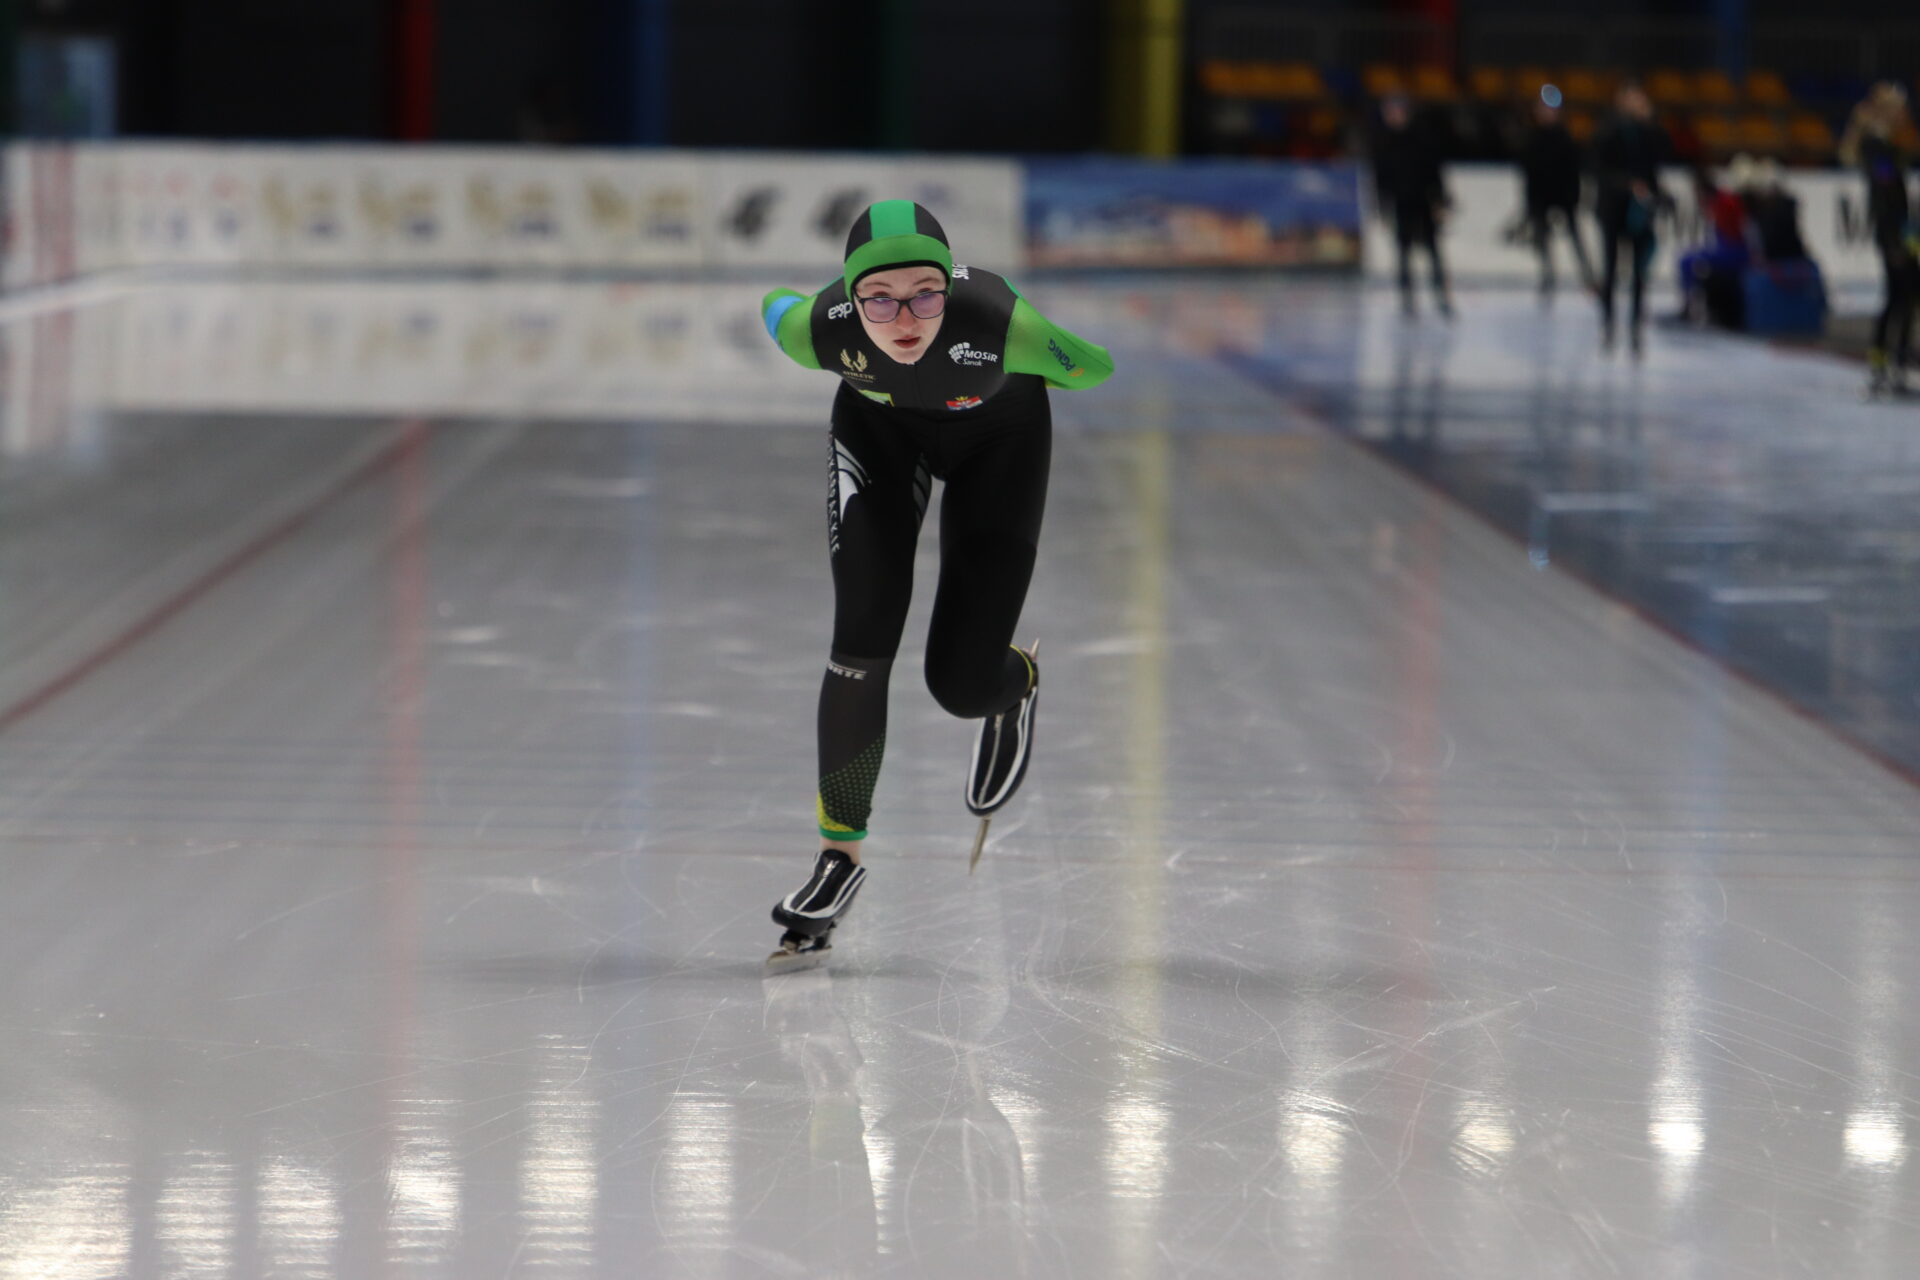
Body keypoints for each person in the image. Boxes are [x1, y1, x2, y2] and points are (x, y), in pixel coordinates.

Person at [757, 200, 1114, 968]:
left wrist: (1030, 353)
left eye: (925, 294)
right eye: (879, 299)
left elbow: (1094, 367)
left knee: (959, 685)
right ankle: (838, 857)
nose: (905, 318)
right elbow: (773, 306)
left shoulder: (998, 320)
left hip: (1001, 444)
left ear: (950, 285)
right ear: (851, 298)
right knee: (860, 636)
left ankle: (1015, 686)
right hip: (880, 439)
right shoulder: (816, 330)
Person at [1839, 82, 1917, 397]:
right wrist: (1894, 242)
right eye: (1900, 108)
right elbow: (1883, 197)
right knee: (1898, 297)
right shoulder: (1875, 146)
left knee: (1906, 297)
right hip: (1892, 234)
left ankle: (1894, 364)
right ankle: (1883, 366)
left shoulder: (1886, 145)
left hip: (1902, 232)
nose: (1905, 114)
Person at [1592, 82, 1669, 356]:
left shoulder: (1648, 133)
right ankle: (1608, 323)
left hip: (1639, 211)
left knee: (1639, 271)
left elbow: (1661, 158)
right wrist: (1627, 184)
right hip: (1613, 209)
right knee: (1611, 268)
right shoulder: (1608, 130)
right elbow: (1598, 168)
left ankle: (1636, 325)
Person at [1373, 94, 1454, 317]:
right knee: (1403, 253)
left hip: (1423, 202)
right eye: (1390, 112)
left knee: (1433, 251)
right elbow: (1381, 179)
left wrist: (1439, 200)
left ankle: (1441, 297)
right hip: (1400, 205)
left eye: (1397, 111)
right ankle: (1407, 299)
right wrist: (1382, 206)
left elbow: (1434, 171)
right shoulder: (1383, 142)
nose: (1393, 116)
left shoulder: (1421, 138)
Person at [1520, 89, 1593, 298]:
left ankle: (1588, 275)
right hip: (1540, 198)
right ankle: (1548, 276)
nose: (1546, 113)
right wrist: (1530, 202)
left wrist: (1574, 196)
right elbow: (1529, 173)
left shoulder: (1565, 138)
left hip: (1564, 197)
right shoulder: (1532, 139)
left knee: (1575, 238)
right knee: (1542, 240)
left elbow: (1573, 170)